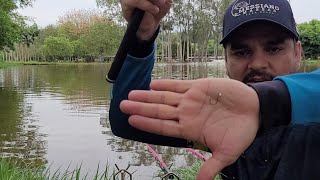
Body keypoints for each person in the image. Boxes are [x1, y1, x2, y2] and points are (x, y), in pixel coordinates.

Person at [109, 0, 320, 179]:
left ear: (298, 53)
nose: (257, 63)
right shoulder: (216, 115)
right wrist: (141, 37)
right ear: (226, 61)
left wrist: (267, 102)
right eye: (241, 52)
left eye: (274, 49)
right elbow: (126, 120)